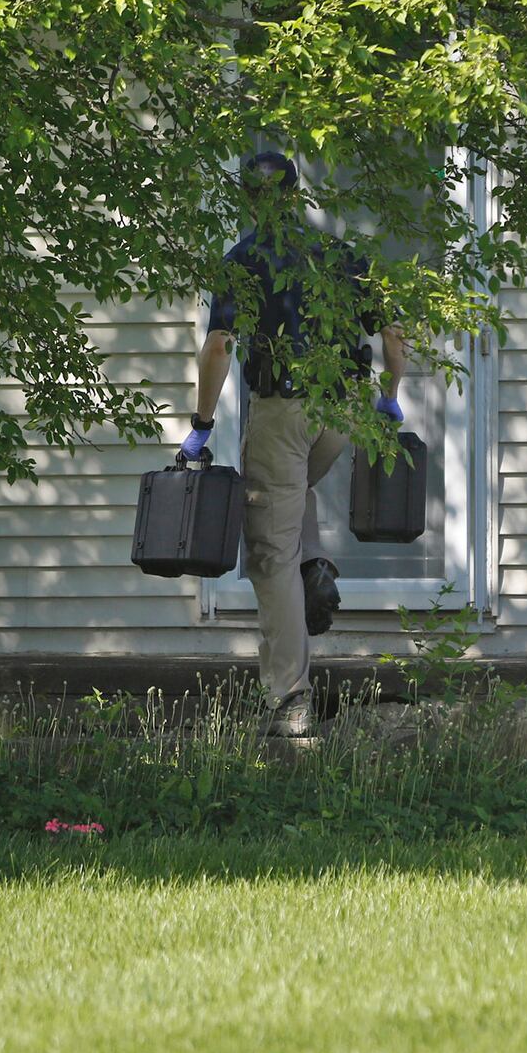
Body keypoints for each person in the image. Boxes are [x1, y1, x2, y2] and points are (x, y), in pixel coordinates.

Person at [177, 152, 405, 737]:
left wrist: (203, 422)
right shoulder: (339, 255)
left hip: (285, 410)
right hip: (344, 409)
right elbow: (393, 333)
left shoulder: (244, 258)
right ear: (295, 193)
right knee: (289, 499)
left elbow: (220, 348)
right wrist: (388, 397)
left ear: (249, 201)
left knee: (266, 552)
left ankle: (291, 698)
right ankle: (314, 572)